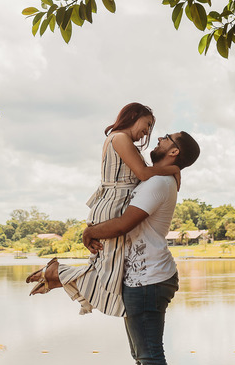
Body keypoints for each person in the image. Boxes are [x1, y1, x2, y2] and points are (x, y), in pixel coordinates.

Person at [83, 130, 200, 365]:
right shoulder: (156, 179)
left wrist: (89, 231)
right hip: (139, 278)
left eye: (166, 138)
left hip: (150, 278)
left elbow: (124, 224)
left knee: (150, 356)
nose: (159, 138)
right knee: (141, 358)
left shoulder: (159, 183)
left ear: (174, 152)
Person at [26, 103, 180, 316]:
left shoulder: (121, 140)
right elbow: (143, 173)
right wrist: (174, 168)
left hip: (114, 204)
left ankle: (57, 276)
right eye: (147, 124)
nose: (148, 131)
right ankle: (57, 274)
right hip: (114, 206)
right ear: (133, 116)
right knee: (108, 274)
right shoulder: (120, 138)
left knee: (109, 271)